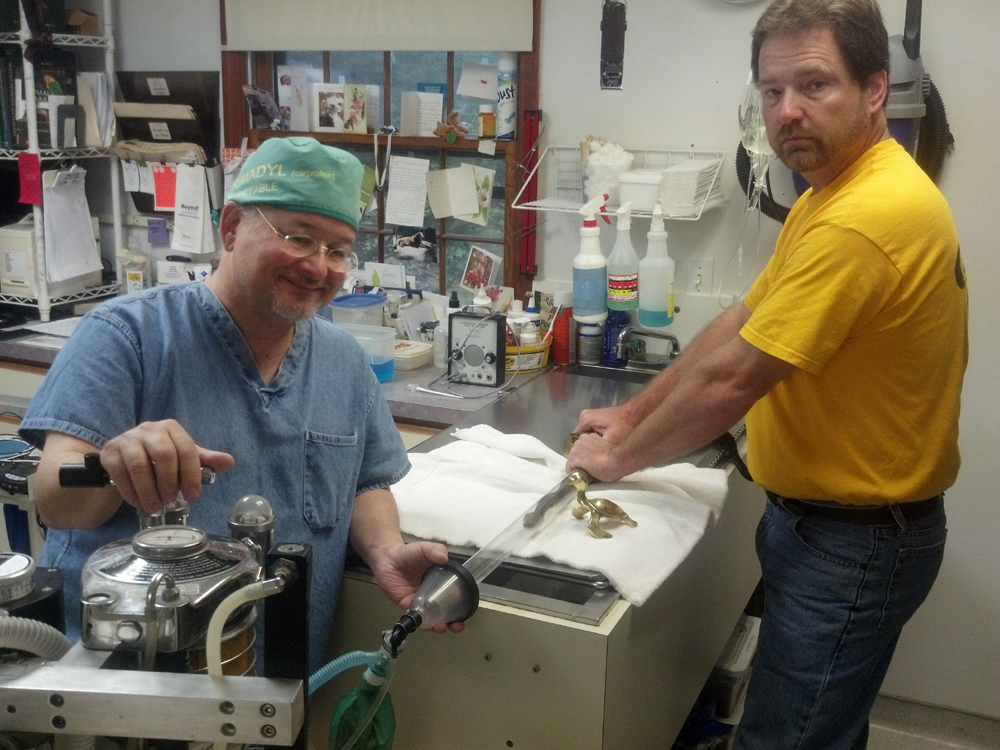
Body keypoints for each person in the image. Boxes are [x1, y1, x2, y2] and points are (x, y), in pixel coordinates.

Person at [566, 1, 968, 747]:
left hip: (853, 543)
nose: (788, 111)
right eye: (772, 91)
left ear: (876, 89)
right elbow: (742, 322)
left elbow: (734, 382)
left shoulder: (864, 215)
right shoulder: (836, 191)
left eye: (815, 85)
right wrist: (628, 416)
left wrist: (619, 457)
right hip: (832, 529)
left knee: (788, 740)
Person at [20, 137, 459, 673]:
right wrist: (119, 463)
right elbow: (54, 498)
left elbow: (365, 482)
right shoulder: (127, 335)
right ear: (230, 228)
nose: (319, 266)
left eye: (338, 250)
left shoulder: (344, 361)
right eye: (299, 238)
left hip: (279, 674)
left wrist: (387, 550)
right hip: (125, 676)